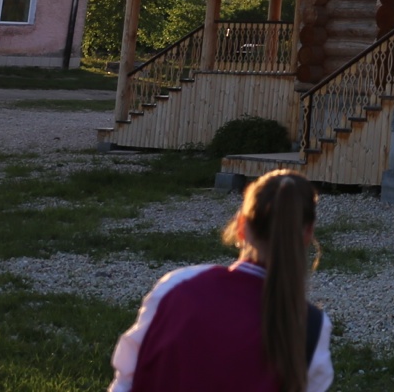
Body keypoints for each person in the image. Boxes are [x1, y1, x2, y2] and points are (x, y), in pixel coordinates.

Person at [108, 168, 333, 392]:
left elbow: (126, 380)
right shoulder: (309, 326)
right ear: (307, 234)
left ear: (241, 226)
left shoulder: (177, 286)